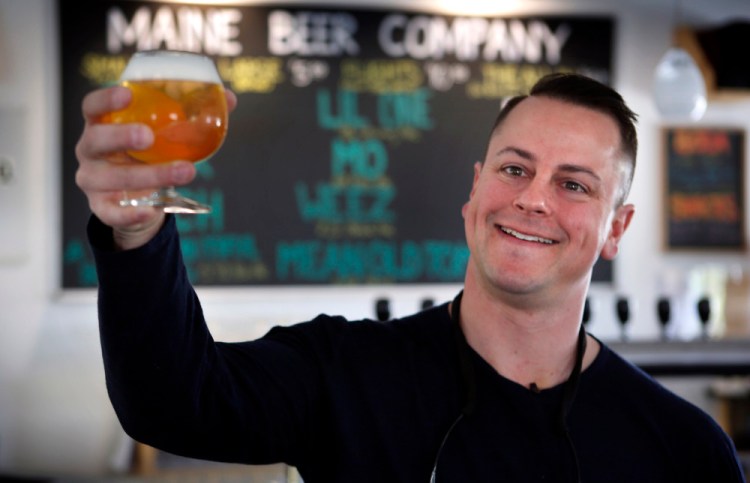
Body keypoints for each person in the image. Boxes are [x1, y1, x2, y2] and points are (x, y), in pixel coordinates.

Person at [75, 73, 747, 482]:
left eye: (573, 183)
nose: (533, 197)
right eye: (514, 168)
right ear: (475, 190)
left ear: (617, 229)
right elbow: (171, 402)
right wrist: (137, 234)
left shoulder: (686, 450)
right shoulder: (343, 374)